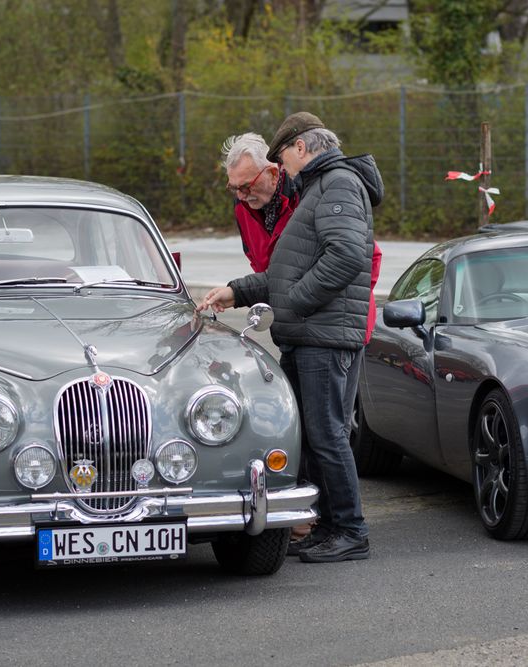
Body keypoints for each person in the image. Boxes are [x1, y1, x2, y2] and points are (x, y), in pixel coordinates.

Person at [198, 112, 383, 563]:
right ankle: (323, 522)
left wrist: (295, 300)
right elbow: (282, 270)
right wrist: (237, 291)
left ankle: (350, 529)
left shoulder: (336, 184)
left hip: (324, 330)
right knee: (312, 431)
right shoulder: (316, 189)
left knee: (329, 432)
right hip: (307, 329)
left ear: (298, 149)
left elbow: (348, 255)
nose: (284, 166)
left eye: (283, 156)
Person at [221, 132, 299, 273]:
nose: (240, 195)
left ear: (273, 175)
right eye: (234, 187)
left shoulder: (302, 197)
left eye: (246, 186)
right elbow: (255, 260)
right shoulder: (241, 205)